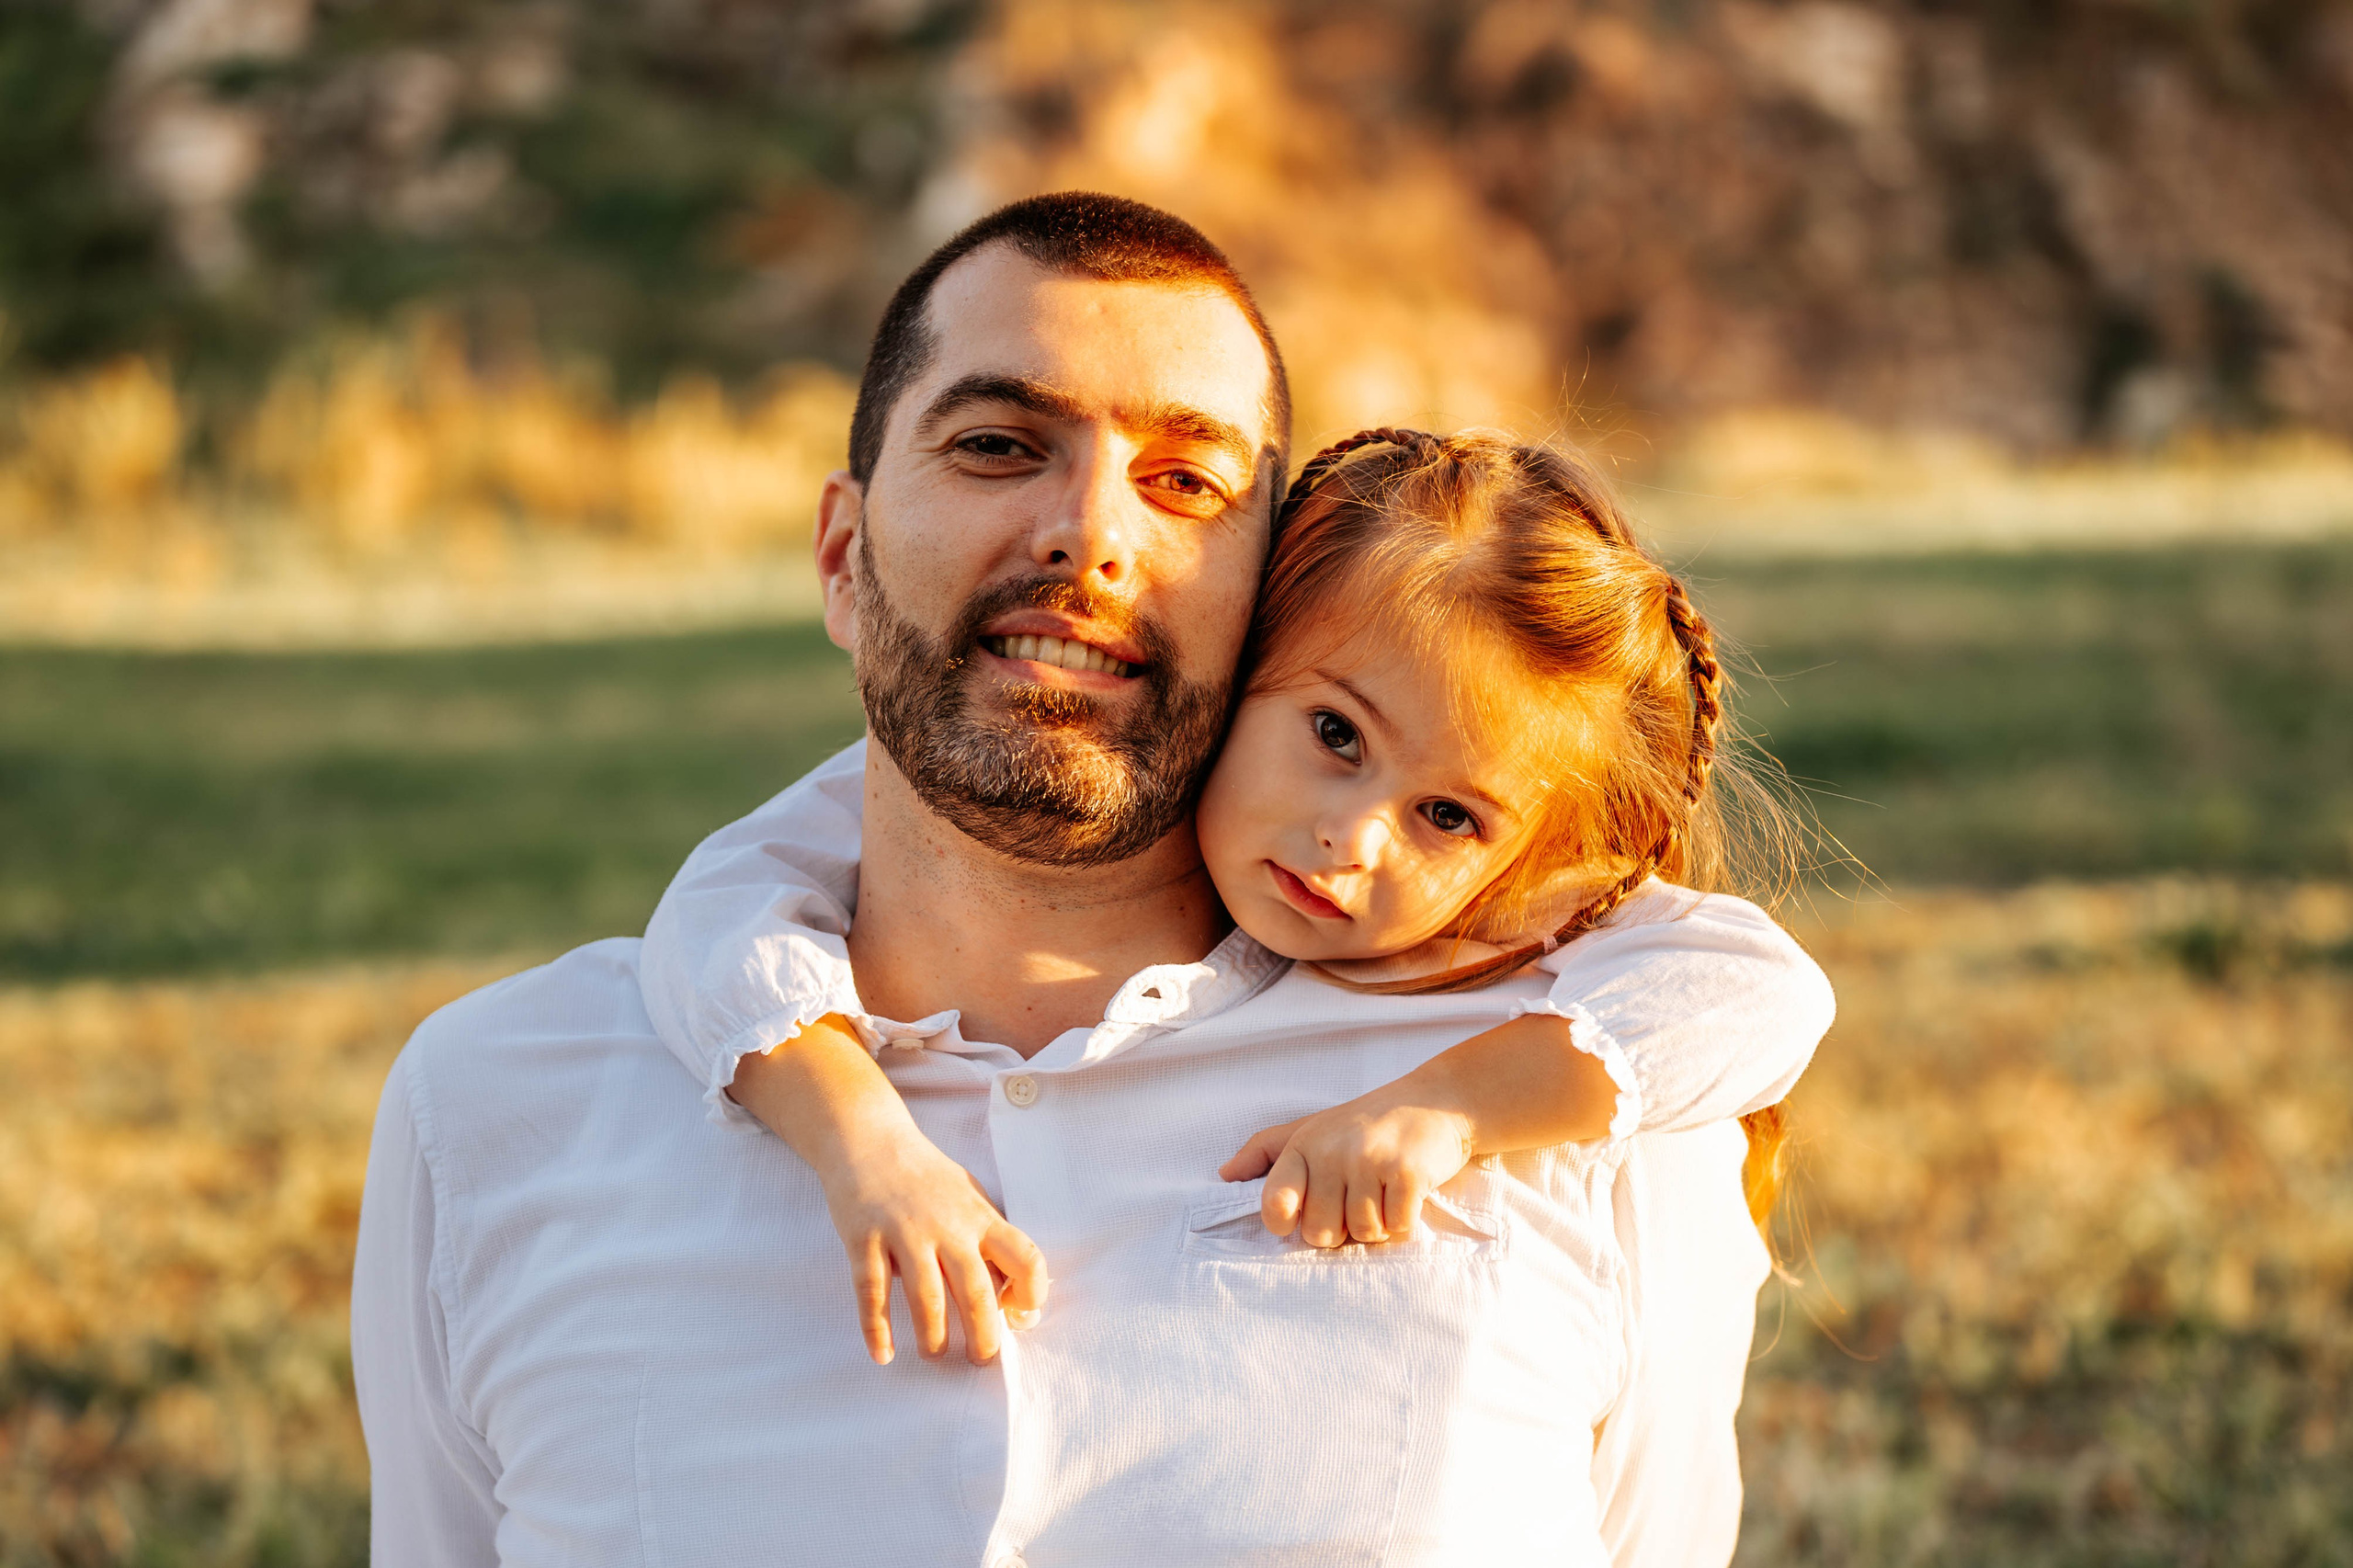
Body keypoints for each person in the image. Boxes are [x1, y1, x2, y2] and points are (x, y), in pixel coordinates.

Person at [352, 192, 1829, 1566]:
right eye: (998, 444)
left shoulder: (1590, 1116)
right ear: (839, 553)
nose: (1090, 538)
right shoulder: (491, 1107)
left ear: (1269, 597)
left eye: (1183, 480)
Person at [642, 426, 1824, 1396]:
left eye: (1449, 817)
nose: (1352, 837)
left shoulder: (1498, 930)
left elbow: (1762, 992)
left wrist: (1445, 1109)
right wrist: (869, 1150)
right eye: (1334, 735)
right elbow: (721, 908)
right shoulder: (900, 832)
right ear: (1241, 649)